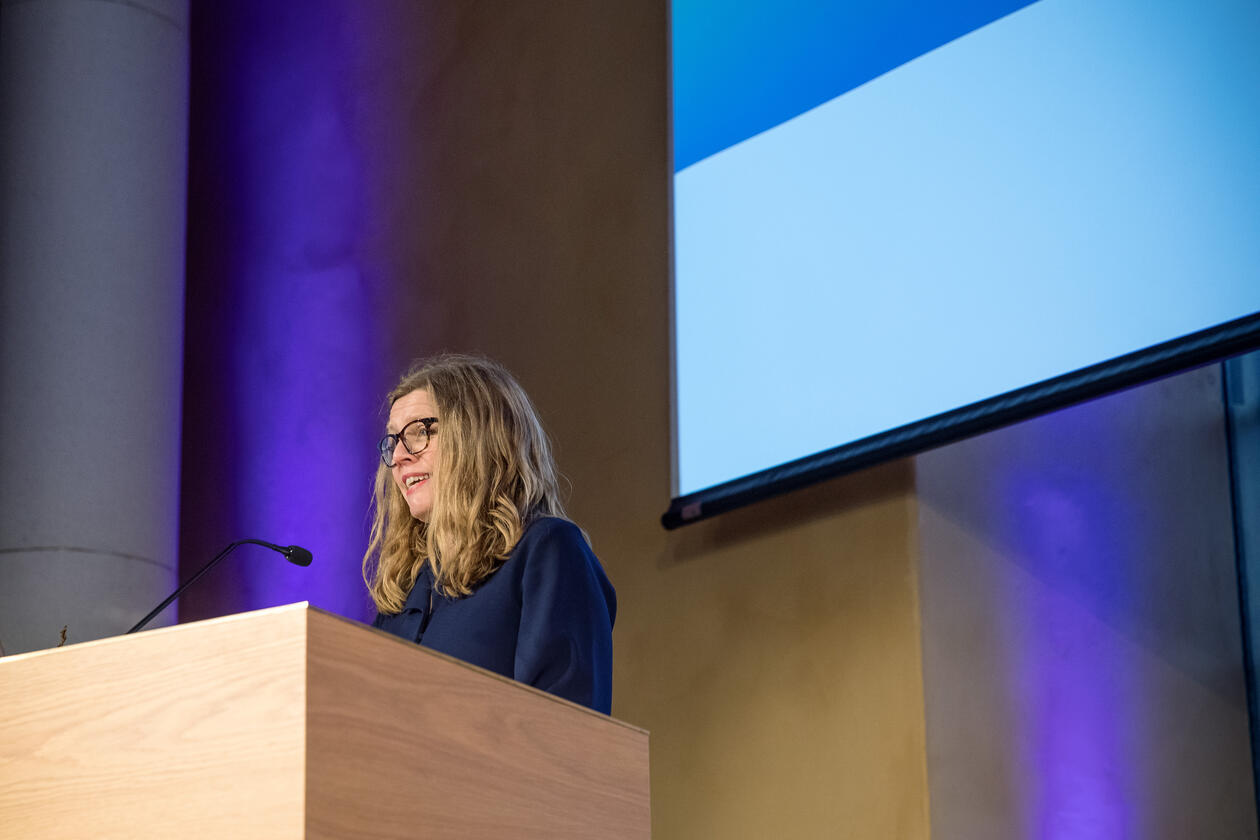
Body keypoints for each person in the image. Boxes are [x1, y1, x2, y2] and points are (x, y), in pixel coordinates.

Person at [363, 354, 616, 713]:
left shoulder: (546, 552)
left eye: (420, 432)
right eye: (392, 441)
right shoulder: (403, 595)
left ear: (477, 436)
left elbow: (564, 732)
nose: (399, 456)